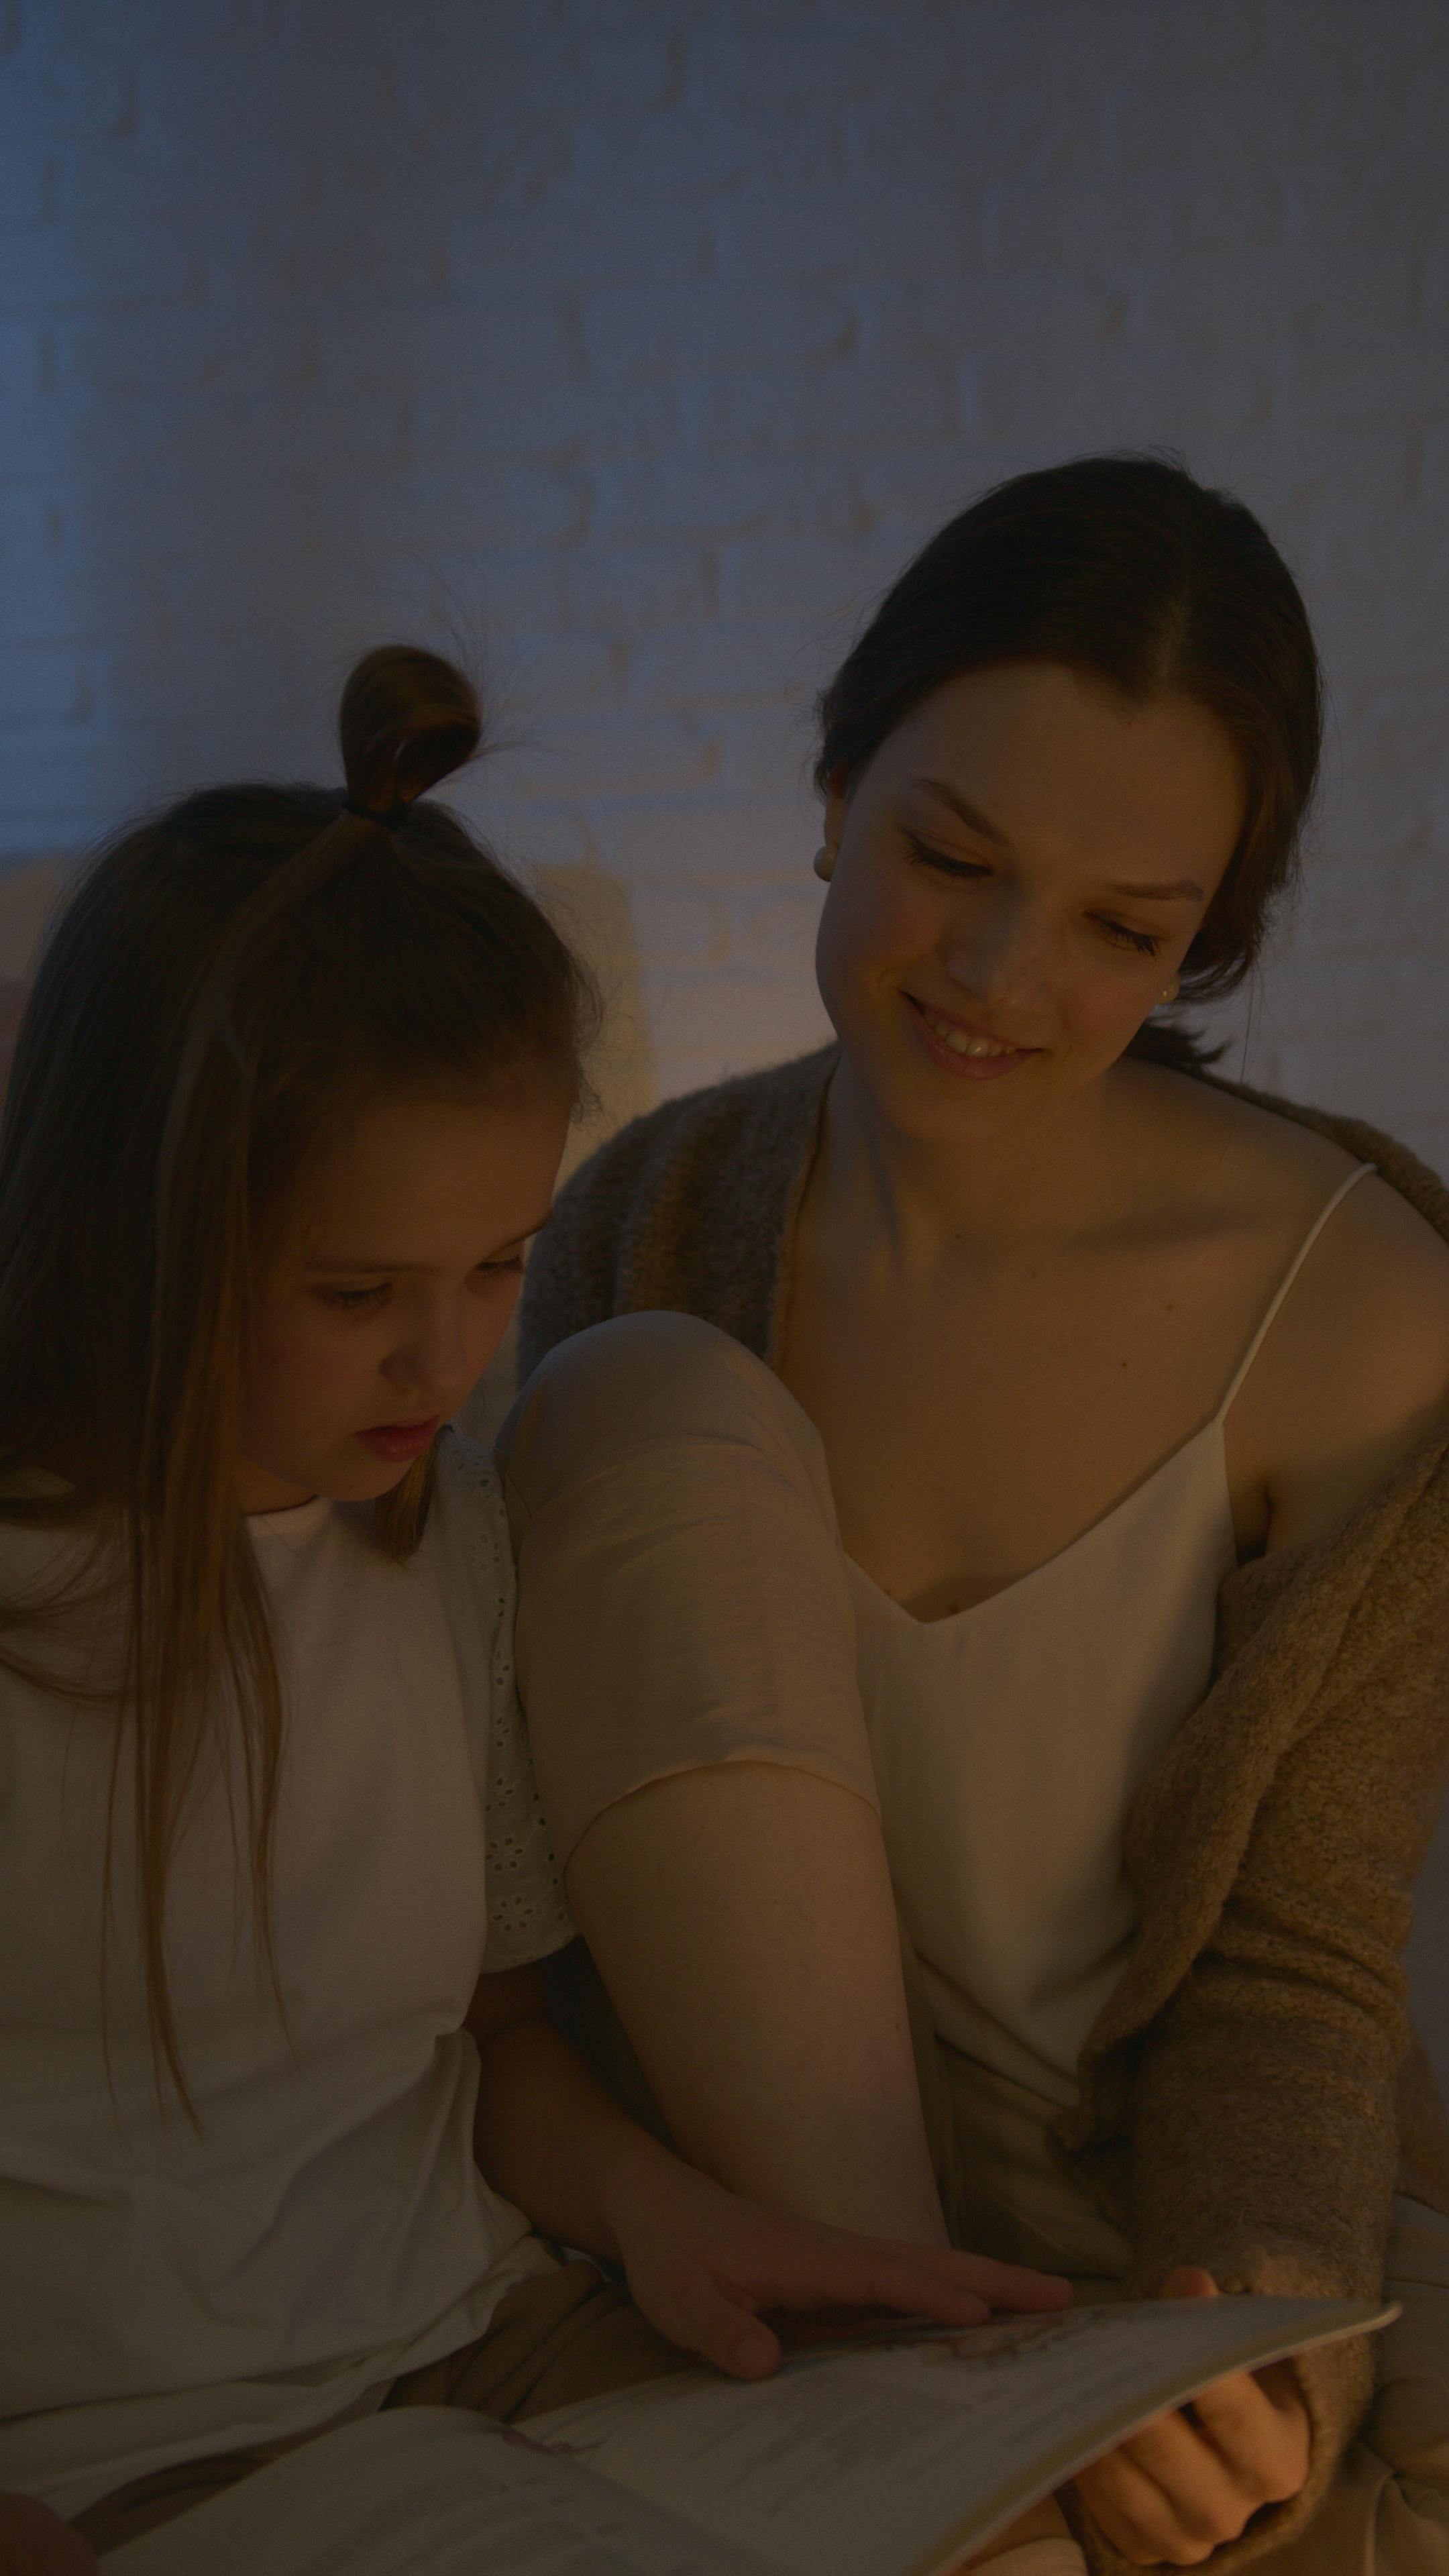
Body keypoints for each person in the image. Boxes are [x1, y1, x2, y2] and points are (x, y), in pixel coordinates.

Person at [0, 647, 1068, 2576]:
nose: (444, 1357)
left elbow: (488, 2036)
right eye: (354, 1293)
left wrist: (669, 2212)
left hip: (489, 2351)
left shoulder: (452, 1545)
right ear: (128, 1225)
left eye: (497, 1265)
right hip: (109, 2466)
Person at [506, 458, 1449, 2572]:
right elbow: (519, 1890)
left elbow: (1295, 1966)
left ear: (1212, 937)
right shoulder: (632, 1237)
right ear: (835, 783)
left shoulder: (1368, 1313)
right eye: (952, 855)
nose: (1005, 977)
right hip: (760, 2249)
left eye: (1129, 931)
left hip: (1155, 2250)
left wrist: (1252, 2347)